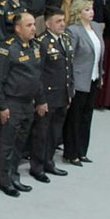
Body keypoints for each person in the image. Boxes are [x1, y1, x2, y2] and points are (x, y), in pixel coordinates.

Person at [0, 12, 45, 196]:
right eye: (29, 25)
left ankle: (14, 176)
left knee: (20, 143)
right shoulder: (8, 48)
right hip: (12, 102)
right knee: (7, 144)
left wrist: (41, 100)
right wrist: (2, 106)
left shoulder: (35, 46)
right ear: (17, 28)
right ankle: (5, 181)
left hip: (28, 103)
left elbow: (38, 76)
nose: (33, 28)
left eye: (34, 25)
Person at [31, 9, 73, 180]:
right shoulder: (41, 42)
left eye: (63, 20)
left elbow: (69, 69)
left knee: (55, 132)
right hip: (47, 96)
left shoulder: (65, 39)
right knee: (42, 134)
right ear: (48, 24)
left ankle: (49, 162)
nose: (62, 24)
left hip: (62, 94)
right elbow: (38, 74)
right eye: (58, 21)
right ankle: (37, 167)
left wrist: (70, 93)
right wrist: (40, 100)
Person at [63, 0, 103, 164]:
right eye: (87, 9)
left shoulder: (96, 27)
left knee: (87, 116)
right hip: (79, 79)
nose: (91, 12)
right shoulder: (73, 30)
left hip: (93, 77)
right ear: (78, 12)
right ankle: (71, 152)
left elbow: (99, 54)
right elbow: (69, 58)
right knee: (75, 117)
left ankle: (82, 151)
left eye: (92, 9)